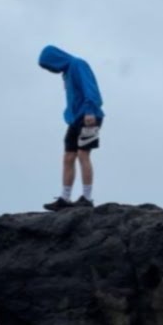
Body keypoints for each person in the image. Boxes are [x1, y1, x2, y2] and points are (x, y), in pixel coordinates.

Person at [38, 45, 104, 210]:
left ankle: (87, 198)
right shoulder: (66, 72)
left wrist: (90, 111)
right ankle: (65, 198)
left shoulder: (78, 64)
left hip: (90, 117)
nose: (50, 69)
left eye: (49, 65)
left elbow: (91, 88)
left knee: (83, 154)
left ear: (54, 58)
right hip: (75, 120)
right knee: (68, 156)